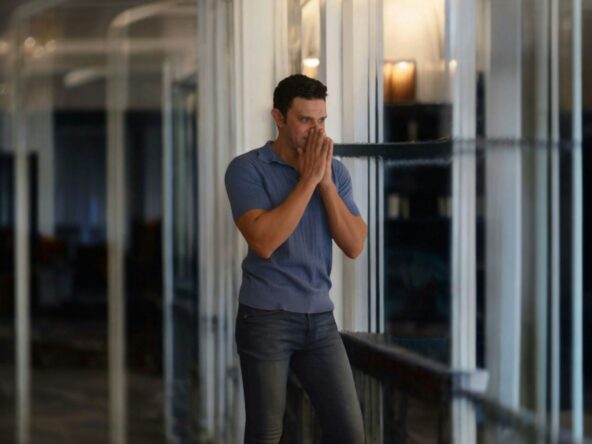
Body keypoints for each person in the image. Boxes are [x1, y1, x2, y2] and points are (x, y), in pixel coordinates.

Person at [225, 74, 367, 444]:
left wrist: (325, 182)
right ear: (279, 118)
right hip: (265, 318)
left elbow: (354, 245)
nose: (316, 132)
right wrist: (307, 181)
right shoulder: (246, 169)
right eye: (305, 120)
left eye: (322, 121)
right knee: (267, 434)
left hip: (320, 319)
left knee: (350, 434)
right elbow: (264, 242)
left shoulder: (334, 173)